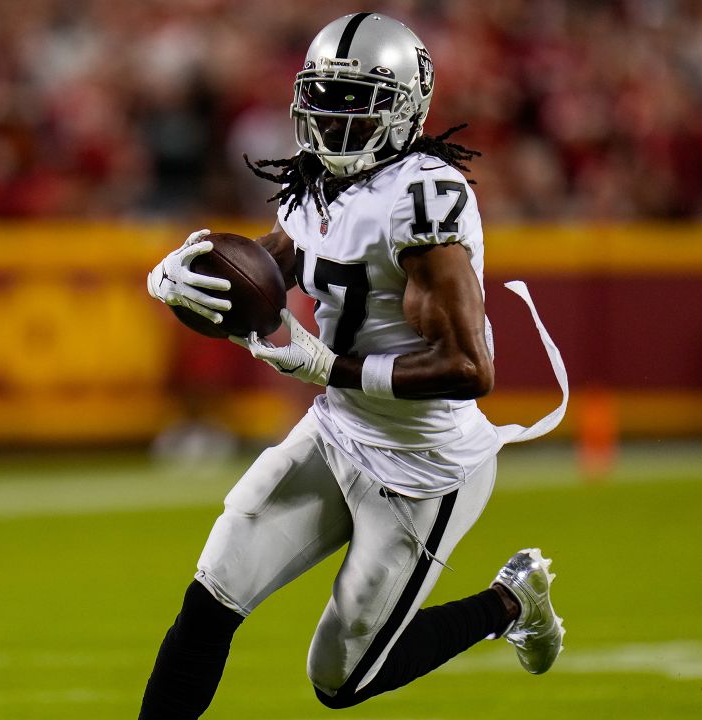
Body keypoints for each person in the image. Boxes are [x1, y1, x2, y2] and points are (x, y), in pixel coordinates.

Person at [142, 13, 569, 717]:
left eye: (354, 100)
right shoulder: (314, 180)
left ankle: (507, 602)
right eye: (324, 96)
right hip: (337, 431)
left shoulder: (426, 201)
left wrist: (330, 367)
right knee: (212, 593)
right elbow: (284, 257)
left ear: (405, 107)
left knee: (340, 680)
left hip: (422, 464)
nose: (333, 118)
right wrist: (192, 273)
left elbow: (470, 368)